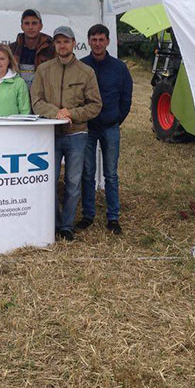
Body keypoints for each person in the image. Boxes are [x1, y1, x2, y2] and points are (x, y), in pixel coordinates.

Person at [30, 26, 102, 241]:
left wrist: (71, 113)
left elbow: (95, 105)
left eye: (66, 41)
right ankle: (53, 223)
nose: (62, 45)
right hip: (49, 134)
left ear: (74, 43)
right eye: (59, 41)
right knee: (48, 182)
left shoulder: (86, 72)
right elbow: (36, 101)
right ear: (54, 44)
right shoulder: (43, 70)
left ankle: (67, 226)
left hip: (77, 134)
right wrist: (57, 114)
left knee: (73, 182)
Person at [77, 24, 133, 235]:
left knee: (110, 174)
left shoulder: (119, 68)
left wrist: (117, 119)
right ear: (88, 41)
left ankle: (113, 217)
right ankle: (88, 215)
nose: (98, 43)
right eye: (94, 39)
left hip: (110, 127)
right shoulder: (82, 66)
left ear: (108, 41)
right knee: (87, 173)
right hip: (88, 127)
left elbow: (126, 97)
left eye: (101, 39)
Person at [9, 9, 54, 89]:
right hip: (17, 95)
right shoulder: (11, 49)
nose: (30, 27)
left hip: (42, 95)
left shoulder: (52, 49)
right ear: (22, 27)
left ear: (41, 26)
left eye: (34, 23)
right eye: (27, 23)